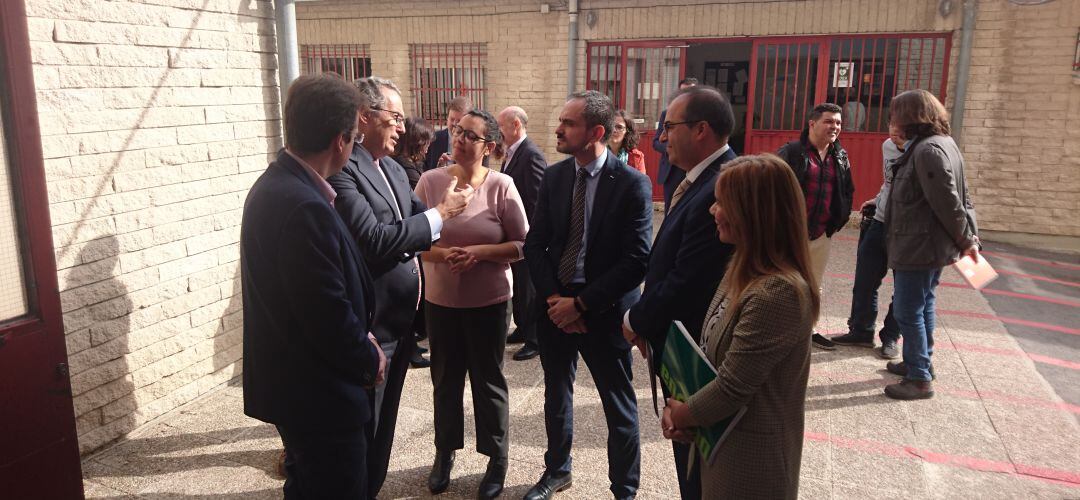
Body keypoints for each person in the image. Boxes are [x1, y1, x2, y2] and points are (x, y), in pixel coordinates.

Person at [327, 76, 474, 499]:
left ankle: (371, 487)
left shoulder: (392, 168)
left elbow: (417, 230)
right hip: (371, 328)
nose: (402, 128)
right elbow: (374, 240)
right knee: (360, 431)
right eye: (394, 117)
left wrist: (441, 215)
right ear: (363, 117)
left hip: (403, 325)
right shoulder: (344, 170)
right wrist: (439, 213)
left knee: (384, 429)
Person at [240, 74, 386, 498]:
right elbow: (325, 312)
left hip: (297, 389)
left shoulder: (280, 184)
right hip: (319, 397)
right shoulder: (302, 205)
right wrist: (367, 356)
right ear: (340, 141)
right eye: (355, 138)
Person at [661, 154, 819, 500]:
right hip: (718, 443)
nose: (712, 211)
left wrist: (684, 414)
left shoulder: (777, 292)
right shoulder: (740, 270)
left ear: (755, 214)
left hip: (751, 460)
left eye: (723, 203)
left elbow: (734, 386)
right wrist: (689, 413)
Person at [523, 90, 652, 500]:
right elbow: (536, 244)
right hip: (555, 304)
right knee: (556, 394)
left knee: (619, 405)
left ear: (596, 131)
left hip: (606, 309)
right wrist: (555, 302)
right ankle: (557, 471)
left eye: (568, 123)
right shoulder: (557, 176)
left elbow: (636, 261)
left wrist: (581, 304)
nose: (558, 130)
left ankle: (624, 490)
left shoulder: (632, 183)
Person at [621, 86, 737, 500]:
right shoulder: (698, 179)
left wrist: (635, 320)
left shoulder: (723, 183)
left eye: (669, 126)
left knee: (699, 468)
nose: (663, 136)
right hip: (680, 342)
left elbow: (689, 278)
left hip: (698, 353)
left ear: (701, 129)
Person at [415, 109, 529, 499]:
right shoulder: (429, 183)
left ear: (490, 147)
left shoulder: (502, 186)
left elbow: (521, 245)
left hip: (489, 303)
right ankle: (444, 453)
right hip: (441, 301)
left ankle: (496, 459)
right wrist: (445, 255)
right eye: (457, 131)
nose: (460, 139)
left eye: (471, 136)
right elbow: (412, 242)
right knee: (445, 380)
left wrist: (478, 252)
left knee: (488, 381)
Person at [882, 89, 978, 400]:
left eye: (896, 113)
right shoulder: (939, 145)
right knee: (924, 303)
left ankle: (920, 377)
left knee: (908, 309)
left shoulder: (928, 151)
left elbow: (949, 203)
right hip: (923, 244)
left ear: (910, 116)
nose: (892, 120)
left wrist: (967, 241)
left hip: (920, 246)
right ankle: (918, 361)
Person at [776, 103, 854, 350]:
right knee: (781, 281)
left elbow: (847, 189)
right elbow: (773, 188)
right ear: (812, 123)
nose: (835, 127)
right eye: (829, 121)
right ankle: (775, 329)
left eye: (838, 123)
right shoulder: (792, 152)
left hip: (821, 233)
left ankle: (807, 330)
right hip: (790, 234)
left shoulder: (839, 156)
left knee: (813, 283)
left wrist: (837, 221)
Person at [829, 124, 904, 358]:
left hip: (907, 231)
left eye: (901, 124)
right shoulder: (888, 146)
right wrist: (879, 198)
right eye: (892, 122)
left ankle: (891, 336)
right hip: (879, 222)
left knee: (903, 288)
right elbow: (890, 182)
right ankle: (861, 331)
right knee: (865, 281)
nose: (893, 129)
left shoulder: (925, 151)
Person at [496, 106, 548, 361]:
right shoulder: (512, 153)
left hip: (526, 236)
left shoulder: (531, 155)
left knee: (528, 288)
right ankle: (522, 328)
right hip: (512, 234)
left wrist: (532, 237)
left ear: (515, 125)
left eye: (501, 126)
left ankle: (535, 338)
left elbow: (538, 200)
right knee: (518, 284)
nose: (498, 132)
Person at [392, 116, 437, 369]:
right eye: (426, 143)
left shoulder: (408, 165)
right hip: (411, 240)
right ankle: (410, 350)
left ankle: (411, 345)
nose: (429, 148)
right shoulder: (403, 168)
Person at [654, 77, 698, 211]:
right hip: (672, 171)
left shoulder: (702, 116)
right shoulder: (667, 114)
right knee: (670, 210)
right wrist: (672, 148)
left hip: (694, 169)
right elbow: (656, 142)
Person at [424, 95, 473, 171]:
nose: (454, 124)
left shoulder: (475, 143)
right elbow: (426, 169)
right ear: (447, 118)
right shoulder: (434, 139)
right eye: (452, 119)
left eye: (459, 120)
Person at [392, 116, 434, 189]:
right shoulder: (405, 166)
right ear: (417, 142)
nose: (429, 144)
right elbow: (425, 191)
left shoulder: (415, 161)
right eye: (426, 142)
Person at [608, 109, 646, 174]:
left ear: (627, 132)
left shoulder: (636, 157)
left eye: (619, 127)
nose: (614, 130)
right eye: (611, 126)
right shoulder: (597, 153)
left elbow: (641, 183)